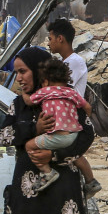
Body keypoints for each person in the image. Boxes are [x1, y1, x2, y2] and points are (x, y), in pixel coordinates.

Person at [0, 46, 96, 214]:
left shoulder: (65, 98)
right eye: (16, 72)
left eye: (23, 71)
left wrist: (53, 157)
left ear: (40, 72)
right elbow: (5, 136)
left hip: (62, 192)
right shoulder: (19, 105)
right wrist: (34, 127)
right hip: (28, 194)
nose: (19, 78)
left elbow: (86, 134)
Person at [47, 19, 99, 195]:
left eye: (50, 38)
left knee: (69, 152)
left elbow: (64, 88)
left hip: (71, 113)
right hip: (66, 112)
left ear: (60, 38)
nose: (49, 43)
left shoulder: (74, 62)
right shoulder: (66, 61)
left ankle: (91, 182)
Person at [25, 59, 90, 193]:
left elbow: (29, 102)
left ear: (46, 81)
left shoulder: (46, 91)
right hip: (73, 135)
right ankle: (91, 180)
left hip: (56, 136)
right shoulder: (71, 93)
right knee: (78, 157)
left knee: (29, 146)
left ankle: (47, 171)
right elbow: (88, 107)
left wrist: (23, 93)